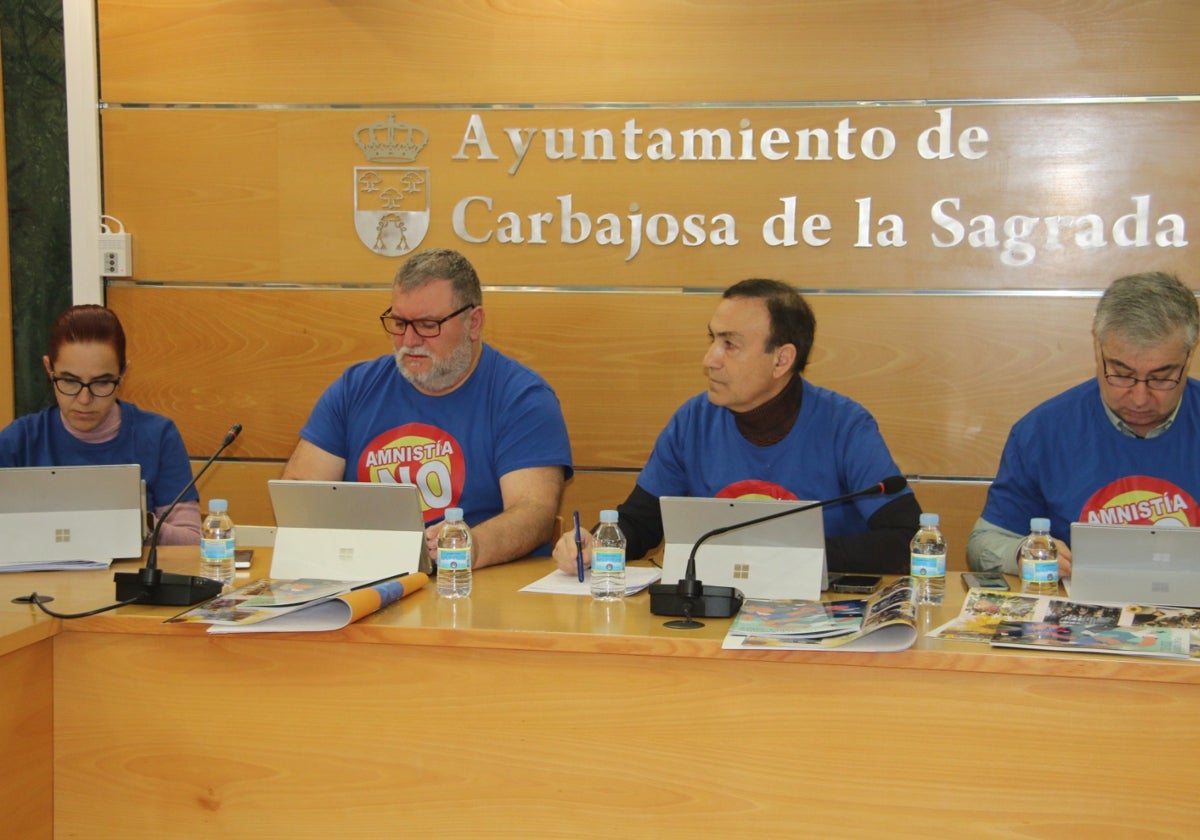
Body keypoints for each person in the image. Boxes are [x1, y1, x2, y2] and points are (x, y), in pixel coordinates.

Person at [553, 278, 920, 576]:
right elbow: (640, 523)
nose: (710, 359)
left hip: (818, 614)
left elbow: (907, 540)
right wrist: (596, 542)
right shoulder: (692, 422)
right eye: (712, 339)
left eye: (730, 345)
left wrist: (782, 553)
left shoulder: (845, 425)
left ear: (781, 360)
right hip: (713, 614)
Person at [283, 248, 573, 568]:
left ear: (473, 323)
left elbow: (533, 513)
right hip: (365, 575)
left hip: (473, 584)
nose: (409, 339)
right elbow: (300, 495)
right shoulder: (355, 388)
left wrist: (466, 548)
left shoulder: (522, 398)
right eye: (399, 322)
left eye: (426, 324)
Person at [967, 271, 1200, 578]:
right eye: (1122, 374)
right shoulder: (1042, 432)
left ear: (1189, 356)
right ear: (1098, 350)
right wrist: (1024, 554)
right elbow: (984, 543)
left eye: (1161, 377)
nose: (1140, 398)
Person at [0, 304, 200, 543]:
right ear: (48, 369)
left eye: (102, 383)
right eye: (69, 381)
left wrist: (139, 524)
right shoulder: (18, 441)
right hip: (39, 580)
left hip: (126, 580)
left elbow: (192, 541)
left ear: (123, 373)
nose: (85, 400)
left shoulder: (157, 435)